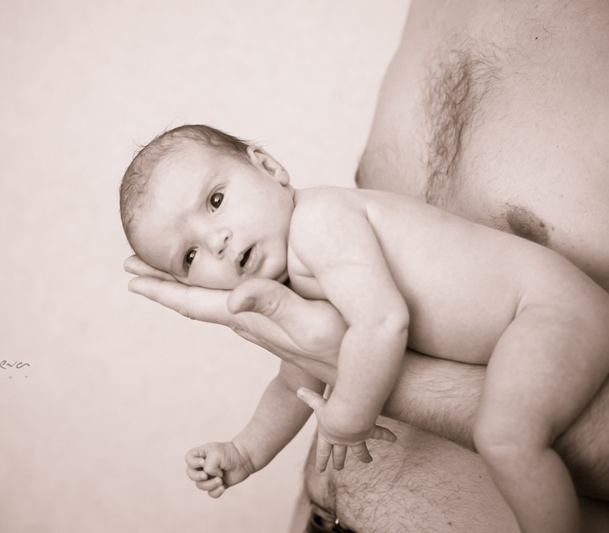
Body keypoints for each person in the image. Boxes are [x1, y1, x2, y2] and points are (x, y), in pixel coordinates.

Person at [124, 0, 609, 530]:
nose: (215, 242)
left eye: (215, 201)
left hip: (545, 311)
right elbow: (295, 383)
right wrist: (244, 452)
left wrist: (348, 417)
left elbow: (382, 322)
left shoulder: (320, 221)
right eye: (189, 255)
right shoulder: (297, 282)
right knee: (508, 434)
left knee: (508, 437)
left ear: (269, 167)